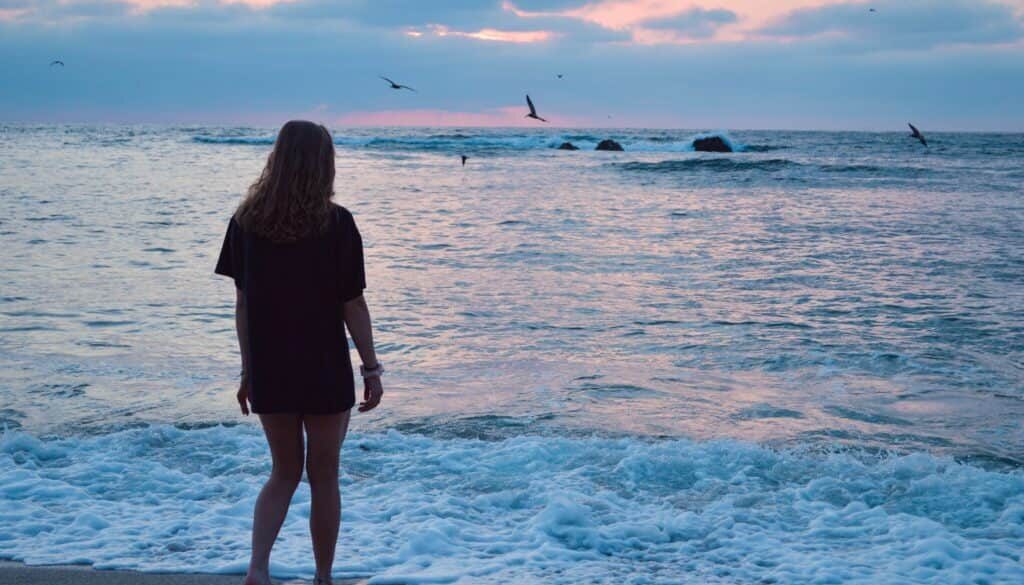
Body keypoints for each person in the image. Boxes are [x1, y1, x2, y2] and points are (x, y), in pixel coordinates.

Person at [214, 120, 384, 585]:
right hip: (323, 365)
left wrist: (248, 370)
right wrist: (371, 368)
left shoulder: (245, 223)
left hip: (272, 366)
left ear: (278, 159)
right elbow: (352, 303)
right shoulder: (337, 223)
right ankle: (322, 578)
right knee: (324, 475)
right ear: (324, 164)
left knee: (283, 472)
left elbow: (243, 304)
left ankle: (258, 568)